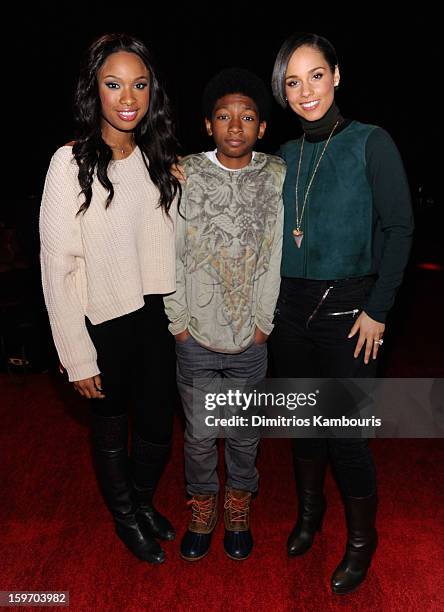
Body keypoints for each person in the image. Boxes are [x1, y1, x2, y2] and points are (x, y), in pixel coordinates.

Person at [270, 33, 414, 593]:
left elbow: (401, 228)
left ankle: (361, 542)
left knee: (346, 435)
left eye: (315, 75)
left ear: (337, 75)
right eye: (292, 81)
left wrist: (378, 309)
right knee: (304, 425)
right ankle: (309, 516)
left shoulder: (371, 142)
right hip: (289, 312)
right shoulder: (283, 155)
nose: (306, 90)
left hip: (353, 309)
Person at [39, 33, 182, 564]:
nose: (128, 97)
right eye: (114, 84)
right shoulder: (69, 162)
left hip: (153, 317)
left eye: (139, 84)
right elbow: (56, 269)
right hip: (100, 321)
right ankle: (126, 518)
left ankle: (141, 502)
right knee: (111, 430)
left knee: (156, 430)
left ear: (152, 92)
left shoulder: (159, 159)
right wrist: (75, 354)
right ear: (94, 90)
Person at [164, 68, 285, 562]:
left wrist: (264, 323)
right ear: (207, 124)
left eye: (247, 117)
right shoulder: (186, 173)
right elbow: (170, 249)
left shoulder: (274, 175)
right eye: (223, 116)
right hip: (195, 336)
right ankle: (203, 505)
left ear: (261, 128)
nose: (235, 126)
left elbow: (274, 253)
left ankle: (239, 503)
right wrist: (178, 321)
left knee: (242, 432)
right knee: (197, 436)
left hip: (248, 338)